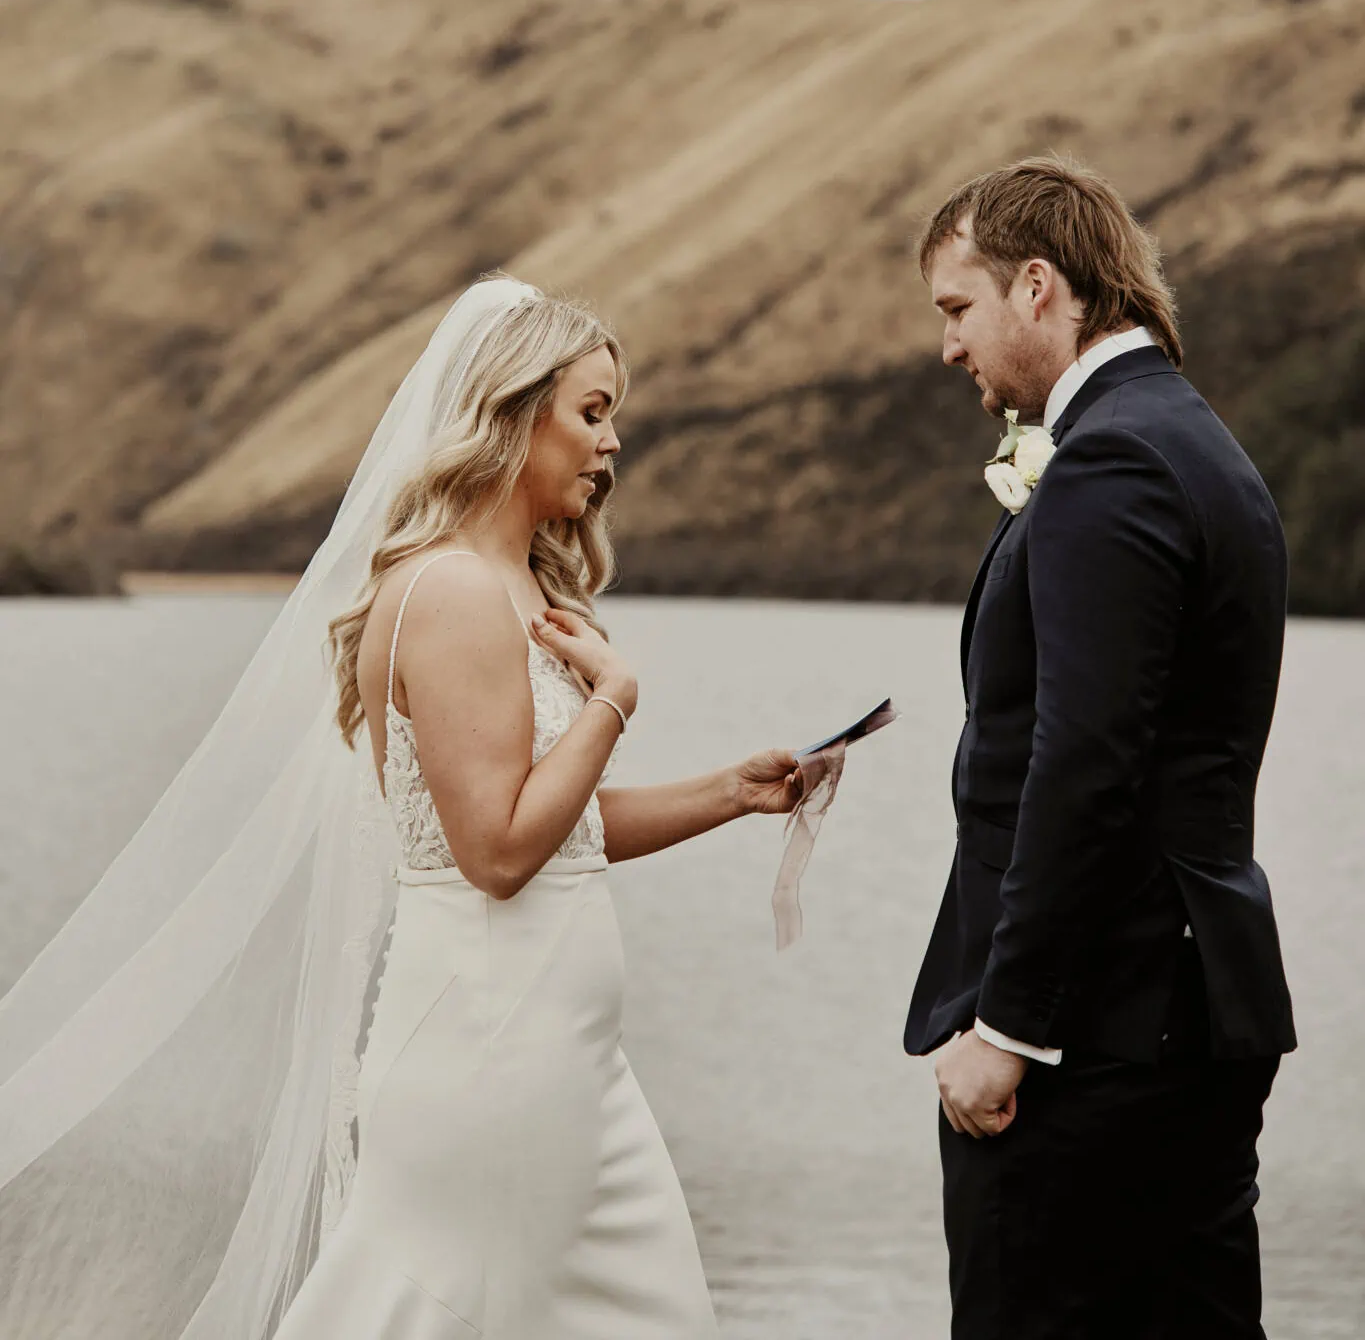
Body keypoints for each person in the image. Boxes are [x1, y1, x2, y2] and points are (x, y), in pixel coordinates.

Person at [0, 276, 799, 1340]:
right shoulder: (454, 591)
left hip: (571, 1062)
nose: (613, 443)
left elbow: (558, 827)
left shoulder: (520, 586)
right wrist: (613, 699)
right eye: (592, 412)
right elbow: (499, 850)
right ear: (514, 414)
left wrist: (731, 794)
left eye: (616, 416)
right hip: (488, 1053)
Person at [904, 157, 1295, 1340]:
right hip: (1195, 1012)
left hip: (1099, 1040)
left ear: (1038, 286)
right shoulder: (1203, 445)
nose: (947, 346)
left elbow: (1084, 763)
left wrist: (1012, 1025)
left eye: (956, 308)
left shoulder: (1113, 459)